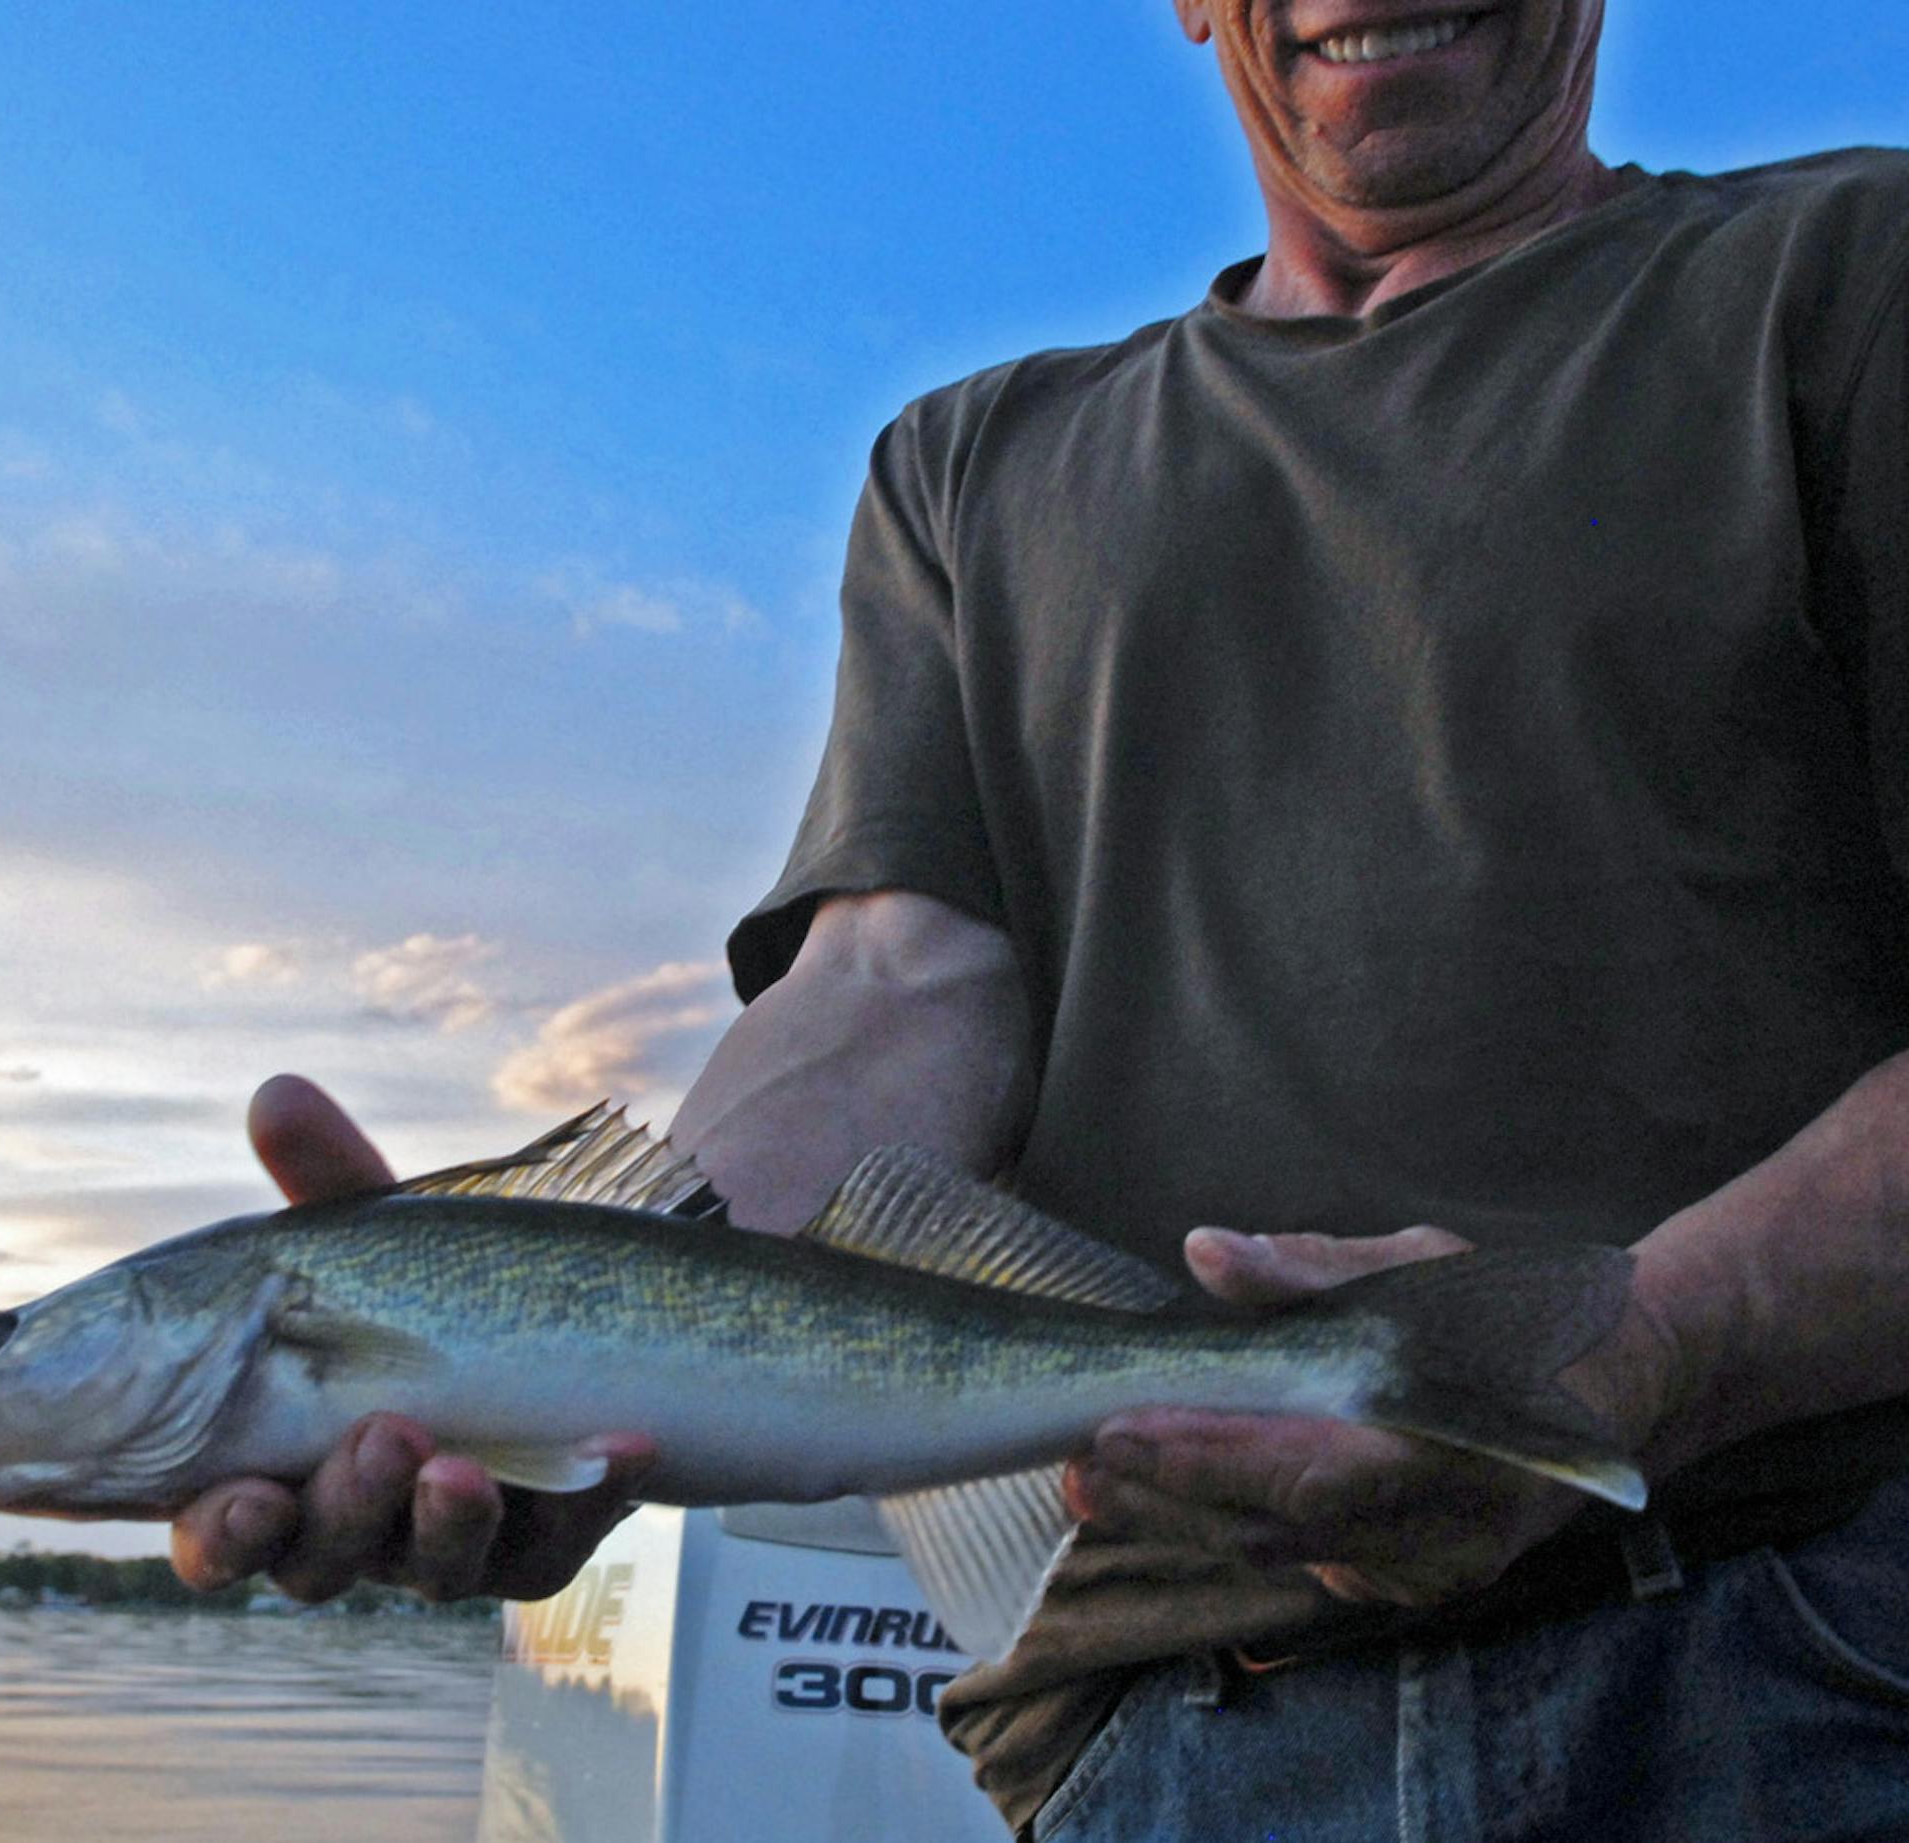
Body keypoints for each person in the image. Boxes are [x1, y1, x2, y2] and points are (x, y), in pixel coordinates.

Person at [173, 0, 1909, 1835]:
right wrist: (578, 1368)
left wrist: (1630, 1362)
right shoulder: (967, 472)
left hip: (1798, 1659)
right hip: (1169, 1736)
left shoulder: (1848, 283)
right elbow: (887, 993)